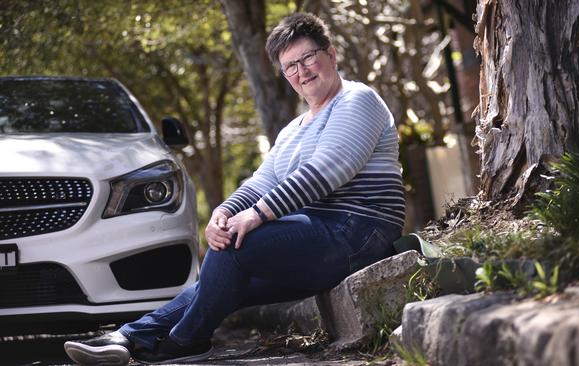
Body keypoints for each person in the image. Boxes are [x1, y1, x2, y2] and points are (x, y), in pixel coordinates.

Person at [63, 12, 405, 365]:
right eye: (290, 66)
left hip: (359, 231)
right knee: (224, 283)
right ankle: (129, 336)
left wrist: (255, 217)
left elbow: (326, 172)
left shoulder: (356, 99)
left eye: (308, 58)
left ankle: (186, 341)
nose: (301, 71)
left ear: (330, 55)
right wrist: (223, 212)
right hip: (319, 238)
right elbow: (263, 180)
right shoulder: (293, 130)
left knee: (235, 244)